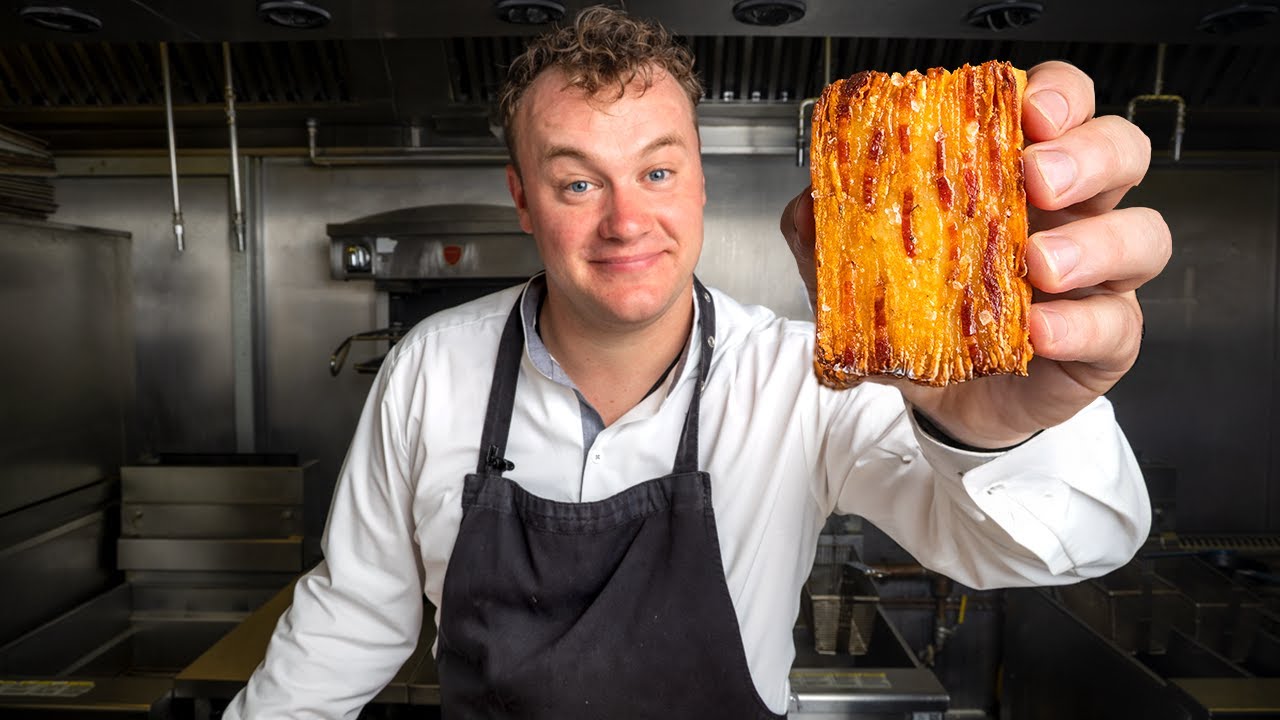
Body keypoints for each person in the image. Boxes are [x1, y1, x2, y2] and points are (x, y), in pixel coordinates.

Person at [226, 6, 1170, 719]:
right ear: (522, 199)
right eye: (578, 181)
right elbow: (351, 620)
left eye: (657, 171)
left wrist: (996, 424)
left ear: (700, 181)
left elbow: (1072, 540)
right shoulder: (430, 370)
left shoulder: (809, 379)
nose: (626, 221)